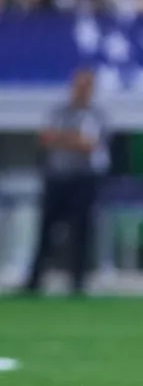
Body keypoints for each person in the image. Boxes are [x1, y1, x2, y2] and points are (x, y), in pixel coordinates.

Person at [21, 68, 109, 296]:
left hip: (82, 180)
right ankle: (35, 280)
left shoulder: (94, 115)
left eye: (86, 86)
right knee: (46, 230)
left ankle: (77, 281)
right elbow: (46, 138)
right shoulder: (58, 112)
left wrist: (62, 138)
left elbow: (89, 144)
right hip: (57, 177)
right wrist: (72, 139)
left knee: (80, 232)